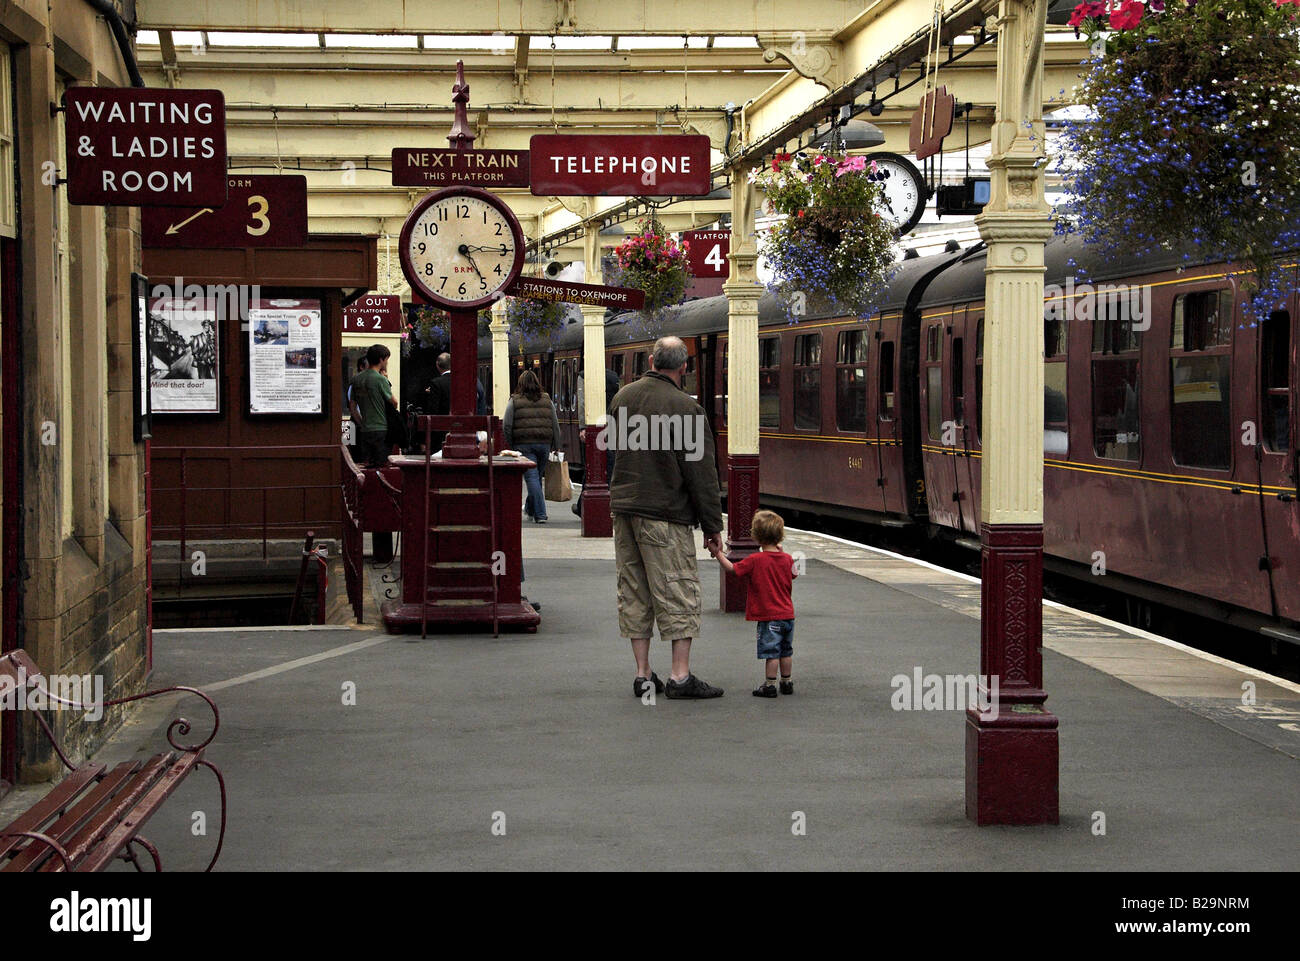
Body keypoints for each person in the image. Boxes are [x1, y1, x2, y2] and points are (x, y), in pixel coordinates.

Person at [609, 336, 724, 700]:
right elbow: (701, 475)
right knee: (677, 589)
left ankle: (643, 675)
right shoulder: (686, 409)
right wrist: (712, 527)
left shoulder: (622, 398)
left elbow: (616, 450)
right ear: (684, 367)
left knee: (634, 590)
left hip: (625, 510)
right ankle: (680, 676)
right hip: (664, 515)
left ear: (651, 360)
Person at [708, 510, 799, 697]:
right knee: (786, 651)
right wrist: (782, 553)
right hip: (788, 615)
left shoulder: (755, 560)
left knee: (772, 653)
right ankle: (787, 682)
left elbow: (732, 569)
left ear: (756, 536)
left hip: (769, 616)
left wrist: (717, 553)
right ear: (780, 535)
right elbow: (795, 573)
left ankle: (770, 685)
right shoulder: (787, 558)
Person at [504, 369, 561, 525]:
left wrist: (511, 443)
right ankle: (530, 508)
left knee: (532, 479)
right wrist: (557, 444)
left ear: (520, 384)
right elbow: (555, 423)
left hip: (523, 445)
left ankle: (540, 514)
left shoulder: (514, 400)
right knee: (536, 478)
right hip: (544, 444)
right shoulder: (547, 399)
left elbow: (507, 424)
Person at [573, 365, 624, 516]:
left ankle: (585, 506)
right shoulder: (614, 377)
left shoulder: (583, 377)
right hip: (612, 425)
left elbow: (582, 403)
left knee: (591, 467)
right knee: (610, 464)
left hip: (595, 425)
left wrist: (583, 427)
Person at [425, 351, 487, 449]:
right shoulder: (472, 382)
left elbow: (433, 411)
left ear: (438, 365)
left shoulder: (437, 383)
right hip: (468, 430)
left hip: (442, 433)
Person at [352, 344, 398, 467]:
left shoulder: (356, 379)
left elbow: (352, 407)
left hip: (365, 429)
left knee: (366, 464)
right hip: (381, 428)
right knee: (381, 464)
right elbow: (394, 402)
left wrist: (362, 423)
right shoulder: (380, 380)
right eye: (386, 359)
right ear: (381, 359)